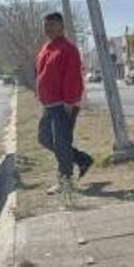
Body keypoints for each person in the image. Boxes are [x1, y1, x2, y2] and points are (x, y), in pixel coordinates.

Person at [34, 11, 93, 194]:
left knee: (61, 143)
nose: (48, 28)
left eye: (52, 24)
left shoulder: (68, 49)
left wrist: (69, 103)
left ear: (61, 26)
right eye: (46, 25)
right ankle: (82, 159)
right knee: (44, 139)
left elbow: (72, 79)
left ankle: (65, 181)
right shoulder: (46, 48)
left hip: (63, 104)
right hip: (49, 105)